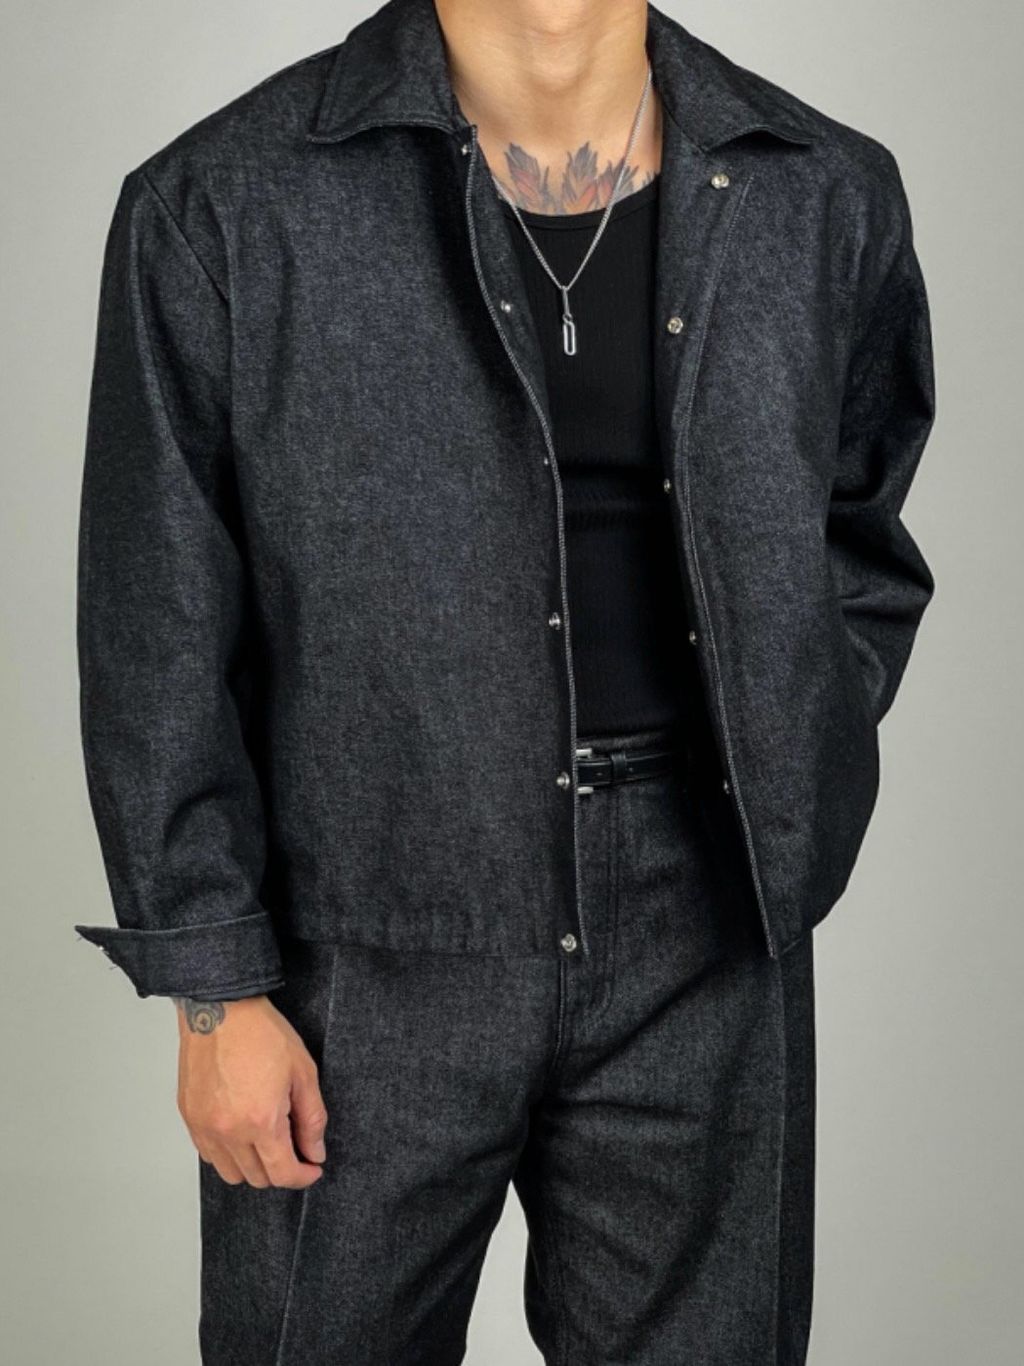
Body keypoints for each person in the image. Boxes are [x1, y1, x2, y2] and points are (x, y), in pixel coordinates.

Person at [73, 0, 935, 1361]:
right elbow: (155, 626)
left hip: (705, 927)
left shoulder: (822, 189)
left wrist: (791, 750)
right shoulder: (222, 201)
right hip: (360, 936)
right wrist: (214, 985)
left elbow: (860, 537)